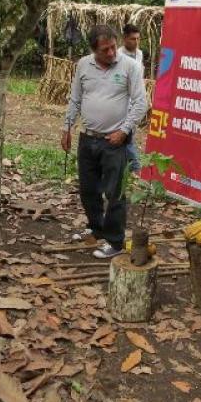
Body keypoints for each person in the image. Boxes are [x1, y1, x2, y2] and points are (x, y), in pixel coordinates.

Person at [61, 25, 147, 258]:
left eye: (112, 47)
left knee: (115, 193)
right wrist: (66, 127)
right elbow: (75, 98)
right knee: (88, 190)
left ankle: (116, 242)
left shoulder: (131, 66)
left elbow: (140, 103)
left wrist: (124, 131)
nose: (111, 53)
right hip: (87, 138)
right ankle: (97, 229)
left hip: (114, 141)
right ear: (93, 51)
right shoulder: (83, 65)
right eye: (104, 50)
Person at [118, 24, 144, 174]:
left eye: (138, 39)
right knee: (127, 138)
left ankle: (126, 169)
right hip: (122, 104)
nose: (136, 42)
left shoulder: (139, 54)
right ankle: (136, 170)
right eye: (132, 39)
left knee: (127, 137)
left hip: (135, 103)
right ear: (125, 38)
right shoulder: (118, 56)